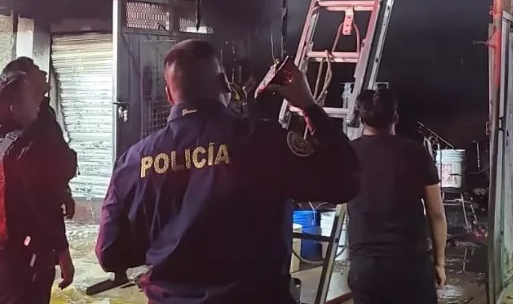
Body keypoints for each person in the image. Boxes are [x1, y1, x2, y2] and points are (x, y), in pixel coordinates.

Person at [95, 40, 362, 304]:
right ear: (225, 84)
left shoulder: (132, 162)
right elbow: (344, 180)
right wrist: (309, 107)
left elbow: (110, 254)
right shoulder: (266, 141)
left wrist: (166, 248)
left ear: (168, 94)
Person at [346, 86, 447, 304]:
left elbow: (339, 202)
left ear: (360, 119)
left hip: (366, 267)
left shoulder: (348, 153)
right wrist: (439, 263)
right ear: (396, 117)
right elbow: (436, 214)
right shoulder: (416, 152)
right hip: (411, 265)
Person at [0, 69, 77, 304]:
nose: (38, 104)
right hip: (24, 259)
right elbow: (44, 207)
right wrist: (63, 253)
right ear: (15, 107)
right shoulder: (29, 149)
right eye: (31, 97)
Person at [3, 57, 75, 222]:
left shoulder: (45, 113)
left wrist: (64, 190)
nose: (43, 72)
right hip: (32, 211)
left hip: (49, 201)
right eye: (35, 69)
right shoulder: (20, 120)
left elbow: (57, 152)